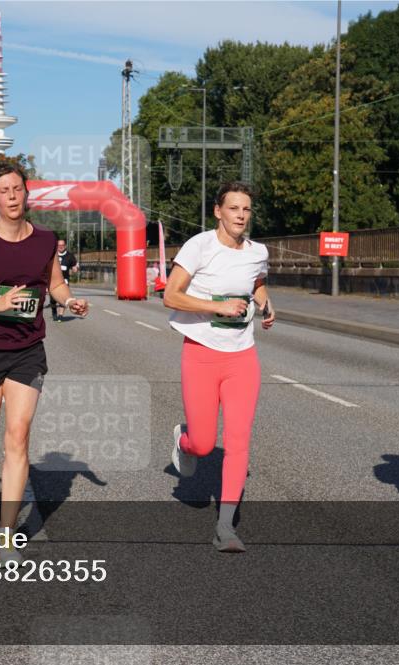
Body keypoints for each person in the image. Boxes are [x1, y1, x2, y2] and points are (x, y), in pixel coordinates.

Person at [0, 162, 89, 564]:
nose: (11, 196)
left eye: (17, 188)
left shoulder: (44, 240)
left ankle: (5, 535)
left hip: (27, 349)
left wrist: (67, 299)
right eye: (3, 190)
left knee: (19, 438)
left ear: (27, 193)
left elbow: (54, 282)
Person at [163, 181, 275, 553]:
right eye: (234, 209)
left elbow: (255, 282)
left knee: (239, 443)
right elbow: (171, 295)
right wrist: (218, 307)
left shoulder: (258, 251)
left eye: (246, 209)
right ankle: (184, 441)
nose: (241, 215)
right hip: (201, 353)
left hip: (242, 357)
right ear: (218, 212)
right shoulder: (200, 246)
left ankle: (225, 526)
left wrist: (266, 303)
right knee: (205, 442)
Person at [49, 238, 78, 322]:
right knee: (53, 300)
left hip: (64, 281)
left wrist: (75, 268)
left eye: (62, 245)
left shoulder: (70, 256)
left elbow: (74, 265)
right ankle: (54, 311)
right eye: (59, 245)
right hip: (53, 281)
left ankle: (61, 315)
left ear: (65, 246)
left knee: (64, 298)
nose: (60, 247)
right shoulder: (52, 255)